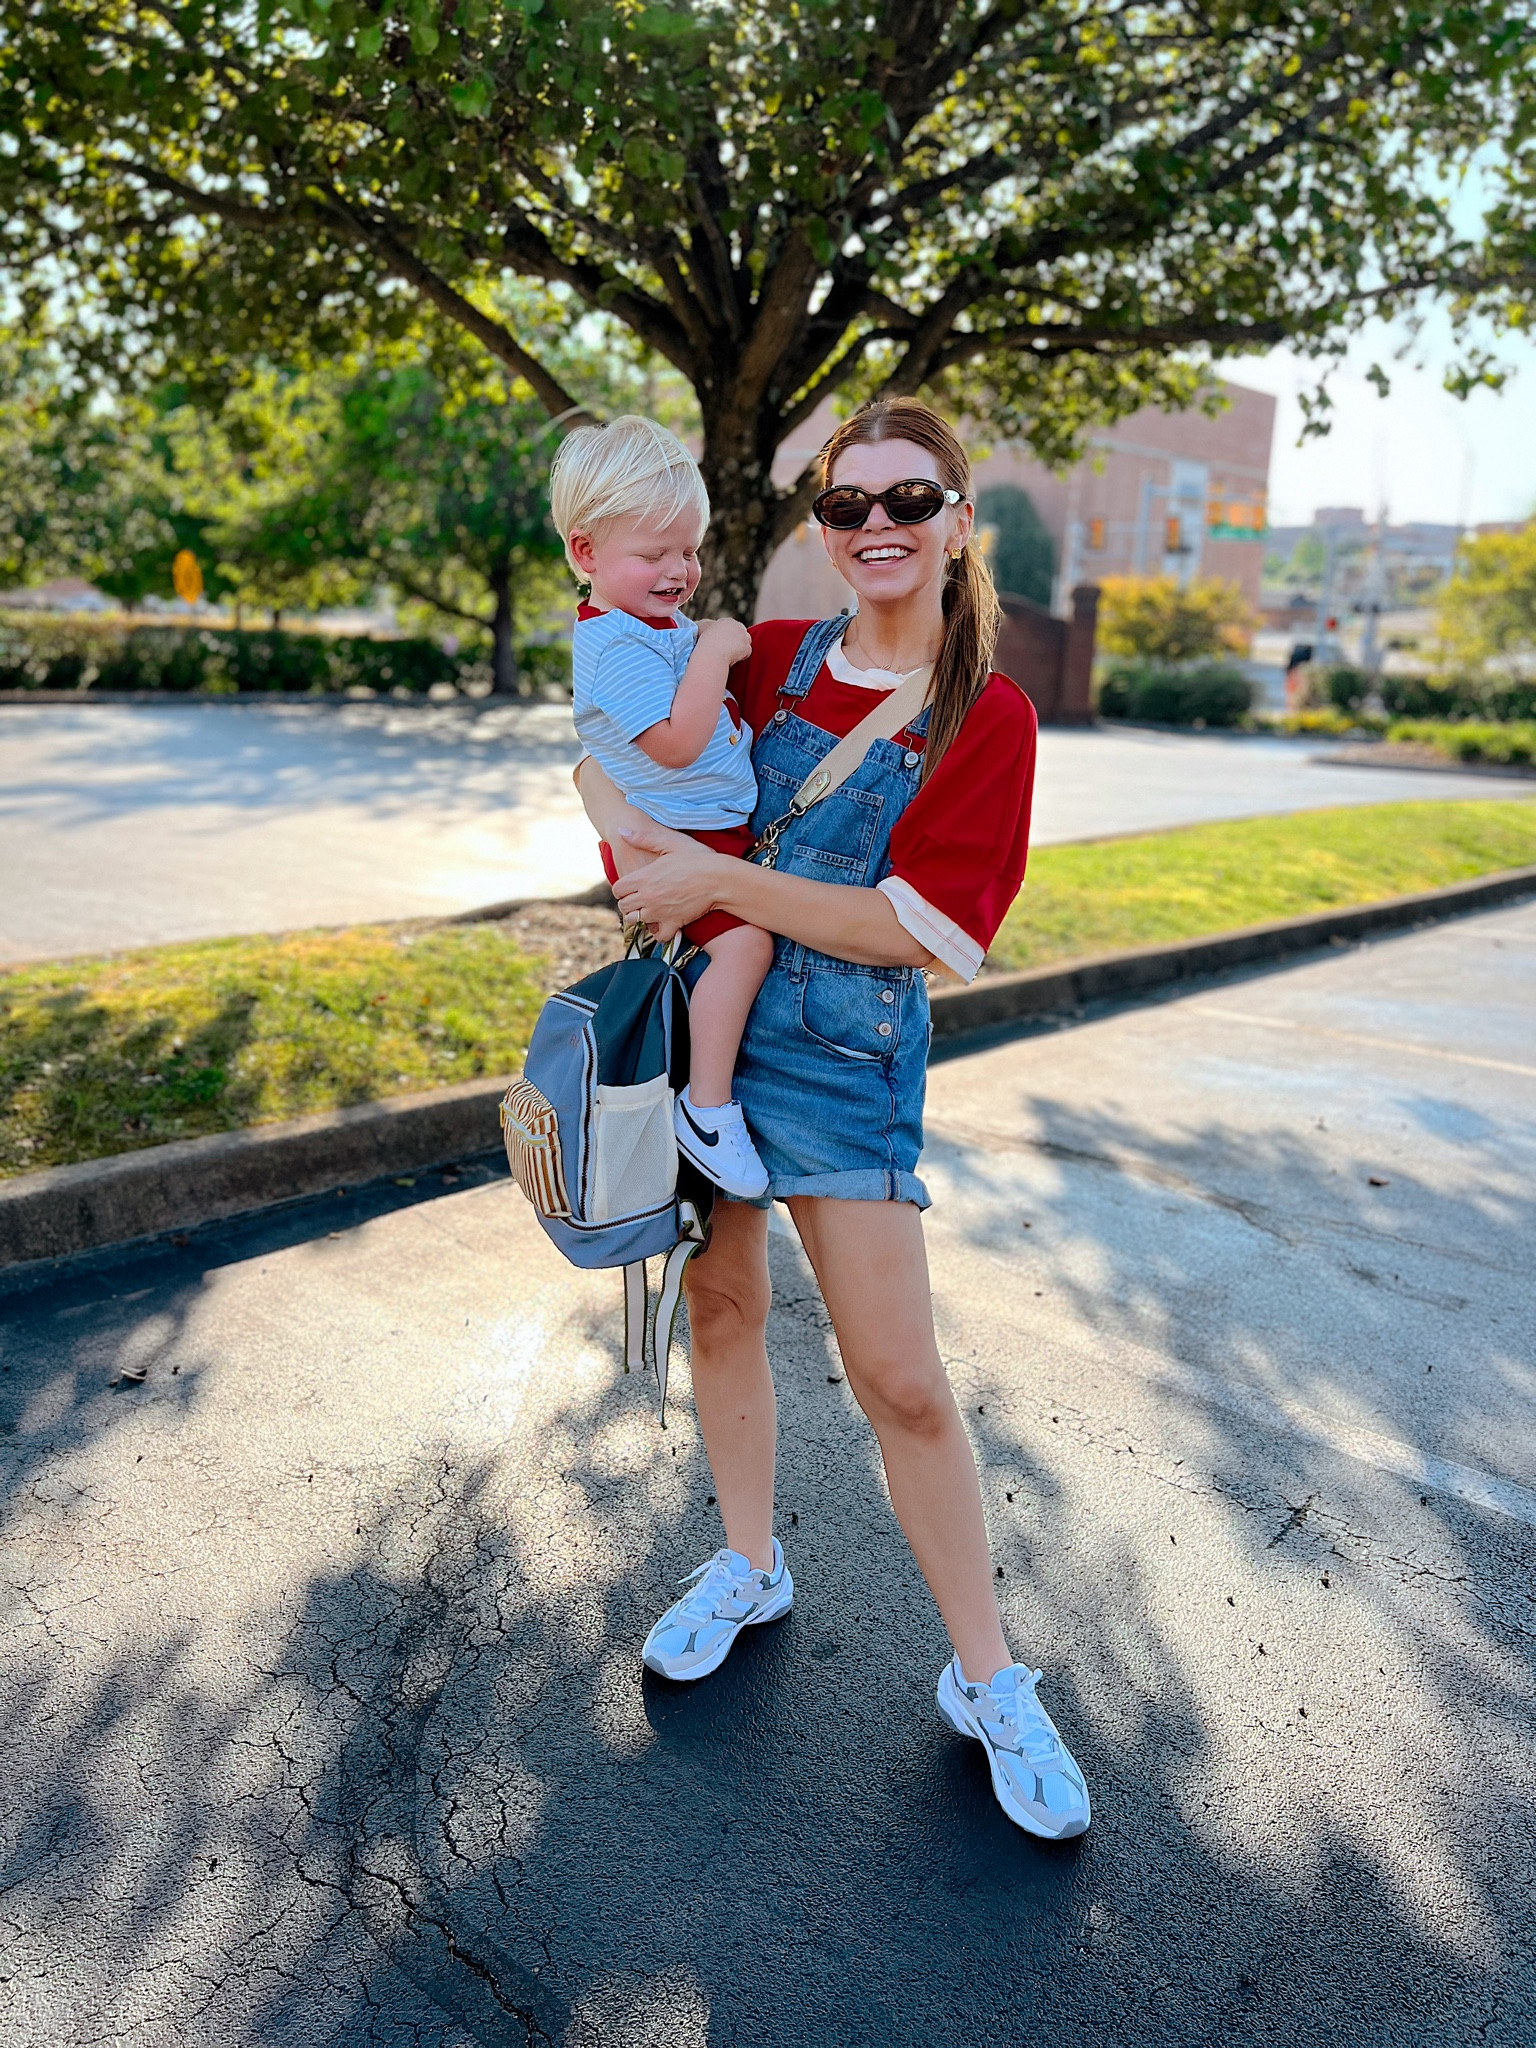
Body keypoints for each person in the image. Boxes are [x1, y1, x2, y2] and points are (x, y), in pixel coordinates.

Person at [577, 399, 1092, 1841]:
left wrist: (718, 888)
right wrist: (608, 810)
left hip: (848, 1066)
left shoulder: (984, 713)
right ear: (822, 525)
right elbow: (642, 765)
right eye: (846, 503)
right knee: (724, 1313)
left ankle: (989, 1678)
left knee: (901, 1381)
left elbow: (918, 928)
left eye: (908, 501)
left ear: (957, 521)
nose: (877, 526)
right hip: (713, 1037)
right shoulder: (772, 664)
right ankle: (750, 1565)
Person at [551, 414, 774, 1199]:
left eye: (688, 550)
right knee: (746, 948)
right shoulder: (613, 643)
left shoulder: (652, 623)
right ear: (587, 553)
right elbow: (676, 744)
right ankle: (707, 1110)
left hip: (693, 823)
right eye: (654, 554)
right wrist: (715, 647)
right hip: (669, 833)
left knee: (727, 948)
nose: (680, 569)